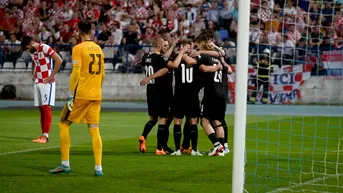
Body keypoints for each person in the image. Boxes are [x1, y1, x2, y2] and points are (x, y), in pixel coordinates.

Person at [49, 20, 105, 176]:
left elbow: (76, 72)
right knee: (94, 130)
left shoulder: (78, 48)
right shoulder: (99, 49)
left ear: (78, 32)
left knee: (63, 124)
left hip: (81, 95)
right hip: (96, 95)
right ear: (91, 31)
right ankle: (98, 168)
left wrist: (70, 93)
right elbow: (103, 74)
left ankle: (65, 164)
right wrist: (97, 89)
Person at [139, 37, 184, 155]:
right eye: (165, 45)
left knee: (153, 118)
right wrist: (182, 53)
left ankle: (144, 136)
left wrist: (173, 45)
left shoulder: (146, 57)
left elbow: (163, 57)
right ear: (159, 46)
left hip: (151, 92)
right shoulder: (161, 59)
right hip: (163, 92)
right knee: (163, 119)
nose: (167, 47)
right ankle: (160, 148)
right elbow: (170, 66)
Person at [20, 35, 63, 143]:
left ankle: (45, 136)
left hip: (46, 82)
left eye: (27, 48)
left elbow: (59, 60)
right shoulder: (32, 51)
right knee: (41, 109)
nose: (27, 50)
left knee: (46, 108)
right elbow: (34, 61)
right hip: (38, 81)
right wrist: (33, 73)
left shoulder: (44, 47)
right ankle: (43, 135)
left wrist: (51, 76)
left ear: (31, 43)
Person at [168, 39, 203, 156]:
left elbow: (193, 62)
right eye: (186, 46)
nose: (188, 48)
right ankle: (177, 149)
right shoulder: (175, 57)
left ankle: (194, 149)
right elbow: (169, 62)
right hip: (179, 94)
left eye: (189, 46)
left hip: (192, 94)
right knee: (177, 121)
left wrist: (181, 53)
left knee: (193, 121)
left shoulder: (194, 57)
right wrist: (179, 52)